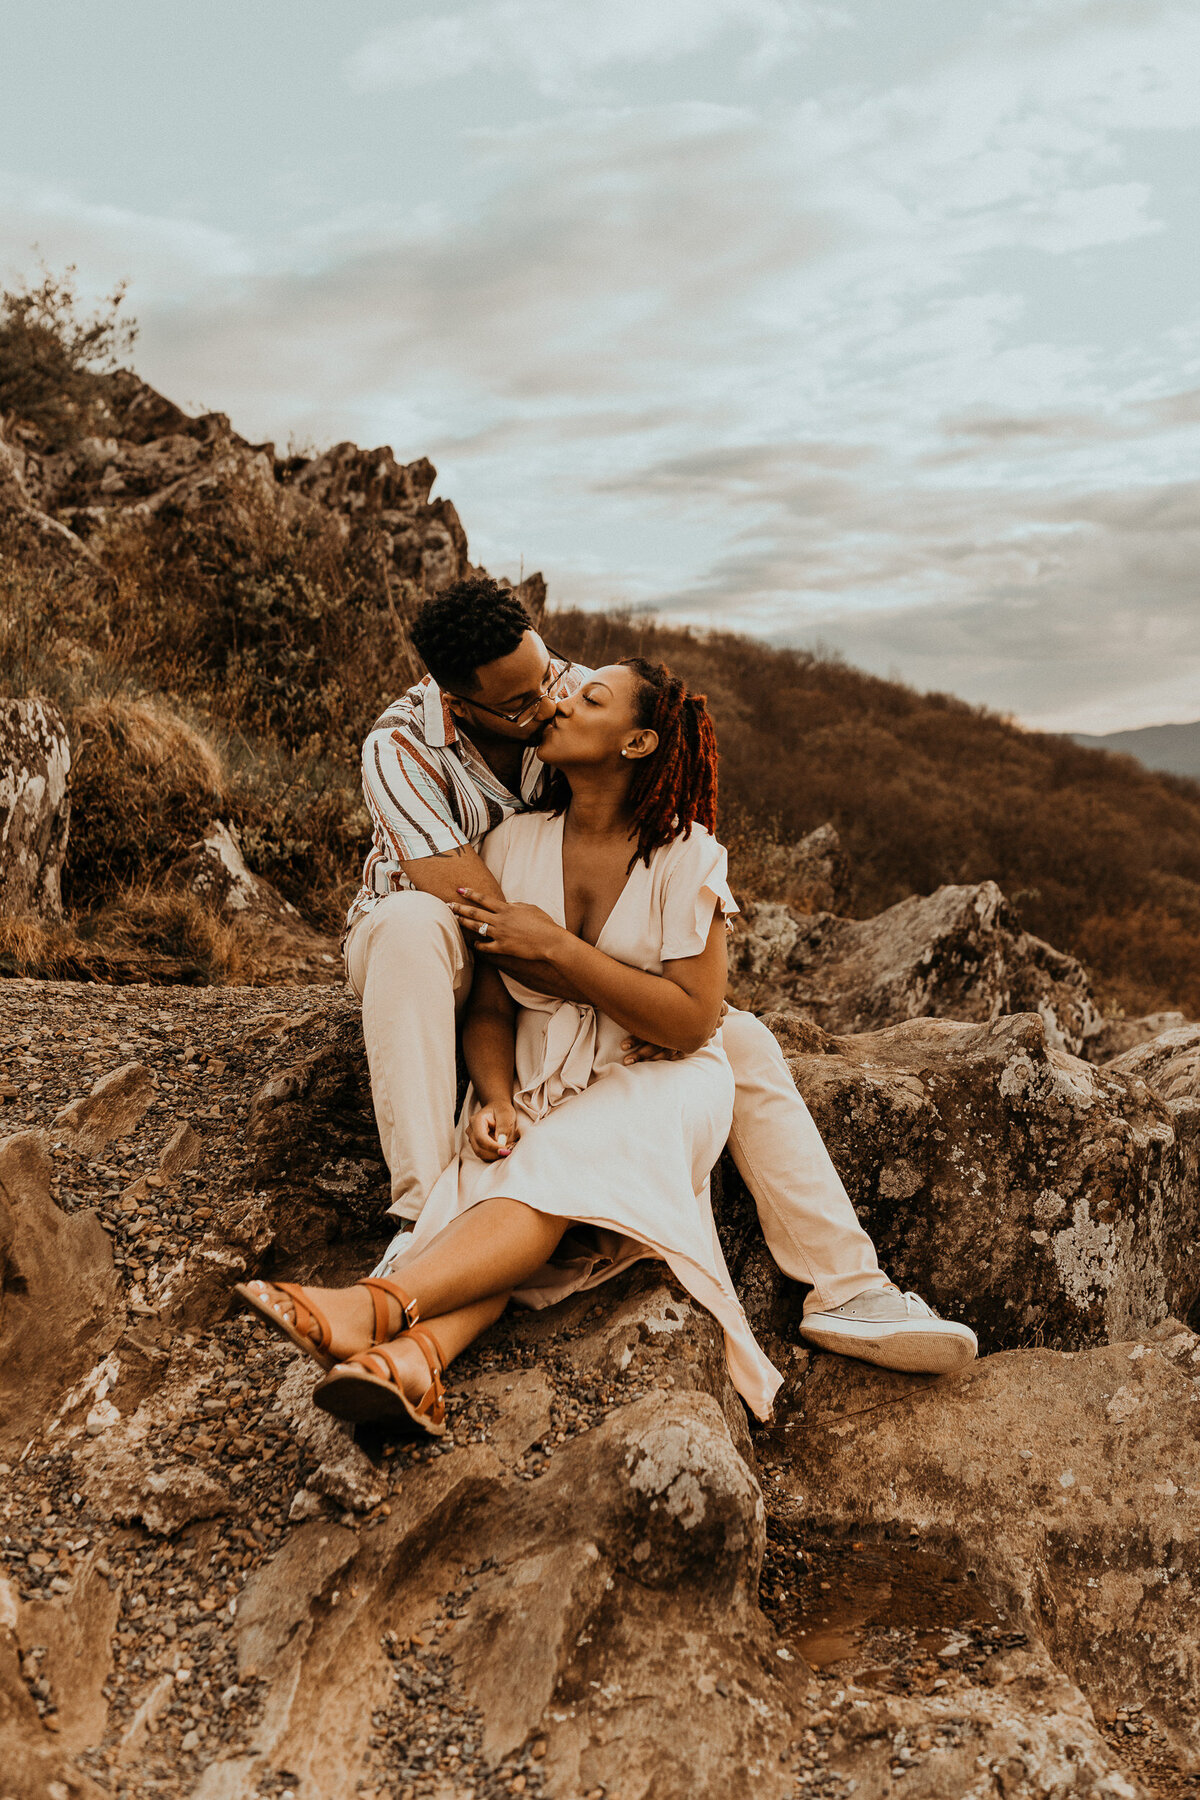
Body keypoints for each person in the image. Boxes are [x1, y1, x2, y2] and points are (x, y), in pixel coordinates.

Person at [242, 578, 977, 1387]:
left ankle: (850, 1288)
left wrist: (641, 997)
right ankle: (419, 1226)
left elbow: (653, 794)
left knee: (741, 1039)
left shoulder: (573, 703)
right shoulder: (402, 750)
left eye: (559, 681)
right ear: (462, 703)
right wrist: (541, 1048)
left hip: (570, 983)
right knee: (421, 935)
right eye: (527, 702)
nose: (552, 701)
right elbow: (490, 924)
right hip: (441, 936)